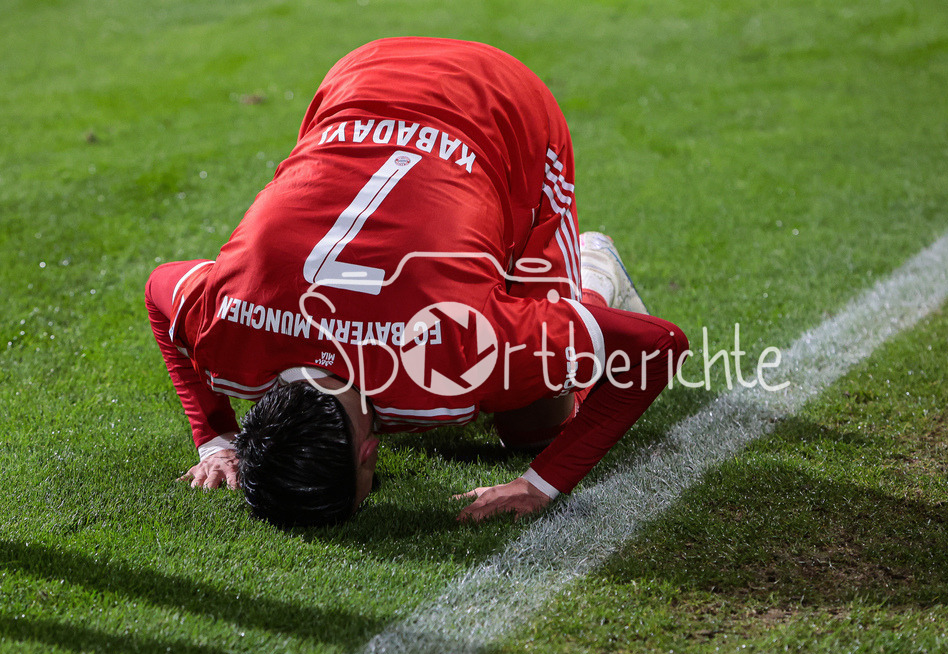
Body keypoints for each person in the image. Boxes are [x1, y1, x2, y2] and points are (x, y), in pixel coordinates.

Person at [145, 37, 688, 528]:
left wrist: (540, 484)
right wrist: (216, 438)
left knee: (537, 429)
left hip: (496, 101)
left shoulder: (462, 348)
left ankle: (596, 269)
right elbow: (159, 289)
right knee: (520, 414)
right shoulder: (226, 325)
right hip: (362, 70)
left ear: (369, 455)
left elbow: (658, 344)